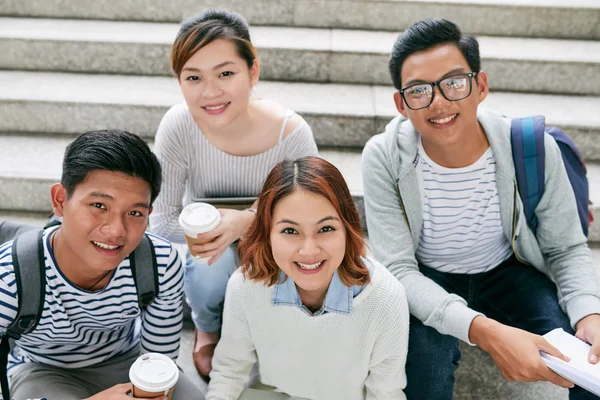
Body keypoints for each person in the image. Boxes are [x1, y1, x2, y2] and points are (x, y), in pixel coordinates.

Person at [361, 18, 600, 400]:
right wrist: (485, 331)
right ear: (401, 104)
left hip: (509, 271)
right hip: (428, 275)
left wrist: (590, 312)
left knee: (588, 363)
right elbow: (399, 270)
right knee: (422, 367)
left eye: (454, 82)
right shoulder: (384, 156)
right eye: (419, 90)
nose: (439, 102)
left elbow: (566, 248)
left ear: (480, 86)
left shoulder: (530, 145)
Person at [149, 9, 318, 378]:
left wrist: (251, 222)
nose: (210, 92)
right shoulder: (178, 125)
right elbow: (160, 220)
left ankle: (269, 330)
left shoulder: (290, 132)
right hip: (209, 243)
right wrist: (210, 234)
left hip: (276, 239)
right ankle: (207, 328)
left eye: (226, 73)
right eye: (193, 77)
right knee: (213, 264)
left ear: (252, 71)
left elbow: (316, 214)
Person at [0, 130, 200, 400]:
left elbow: (158, 358)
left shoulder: (159, 263)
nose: (117, 231)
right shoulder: (9, 278)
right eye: (98, 205)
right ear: (60, 200)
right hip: (42, 369)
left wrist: (149, 390)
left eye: (134, 213)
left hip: (128, 360)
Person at [206, 156, 409, 400]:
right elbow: (229, 372)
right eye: (290, 231)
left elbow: (384, 393)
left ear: (348, 228)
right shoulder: (246, 285)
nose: (309, 250)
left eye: (325, 229)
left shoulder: (386, 298)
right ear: (268, 233)